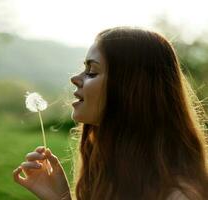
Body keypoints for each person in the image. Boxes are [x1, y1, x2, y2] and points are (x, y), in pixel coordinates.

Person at [12, 27, 208, 200]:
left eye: (92, 72)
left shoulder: (180, 196)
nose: (74, 78)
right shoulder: (109, 175)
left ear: (130, 89)